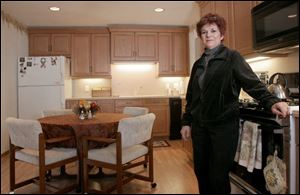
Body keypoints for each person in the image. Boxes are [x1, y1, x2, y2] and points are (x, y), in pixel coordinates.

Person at [180, 13, 290, 194]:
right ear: (201, 36)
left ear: (221, 34)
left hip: (223, 127)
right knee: (201, 172)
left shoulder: (232, 57)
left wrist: (271, 101)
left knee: (217, 175)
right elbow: (192, 96)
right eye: (204, 32)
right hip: (200, 127)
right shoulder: (198, 64)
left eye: (213, 30)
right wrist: (186, 122)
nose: (208, 35)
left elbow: (252, 83)